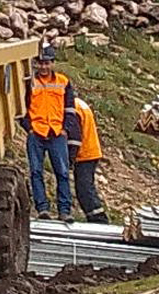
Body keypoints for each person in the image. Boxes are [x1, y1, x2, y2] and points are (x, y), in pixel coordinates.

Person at [21, 44, 75, 220]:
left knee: (63, 172)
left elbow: (70, 108)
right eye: (40, 63)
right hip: (36, 132)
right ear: (36, 64)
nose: (43, 67)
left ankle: (64, 211)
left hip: (57, 132)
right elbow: (21, 107)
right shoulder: (30, 82)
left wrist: (66, 129)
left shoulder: (63, 82)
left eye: (47, 63)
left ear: (53, 63)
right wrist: (28, 128)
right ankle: (42, 208)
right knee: (36, 172)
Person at [64, 97, 110, 224]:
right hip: (90, 151)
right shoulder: (78, 104)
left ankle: (98, 218)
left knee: (84, 188)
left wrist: (69, 159)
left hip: (85, 154)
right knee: (85, 186)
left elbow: (74, 138)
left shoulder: (73, 108)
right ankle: (95, 215)